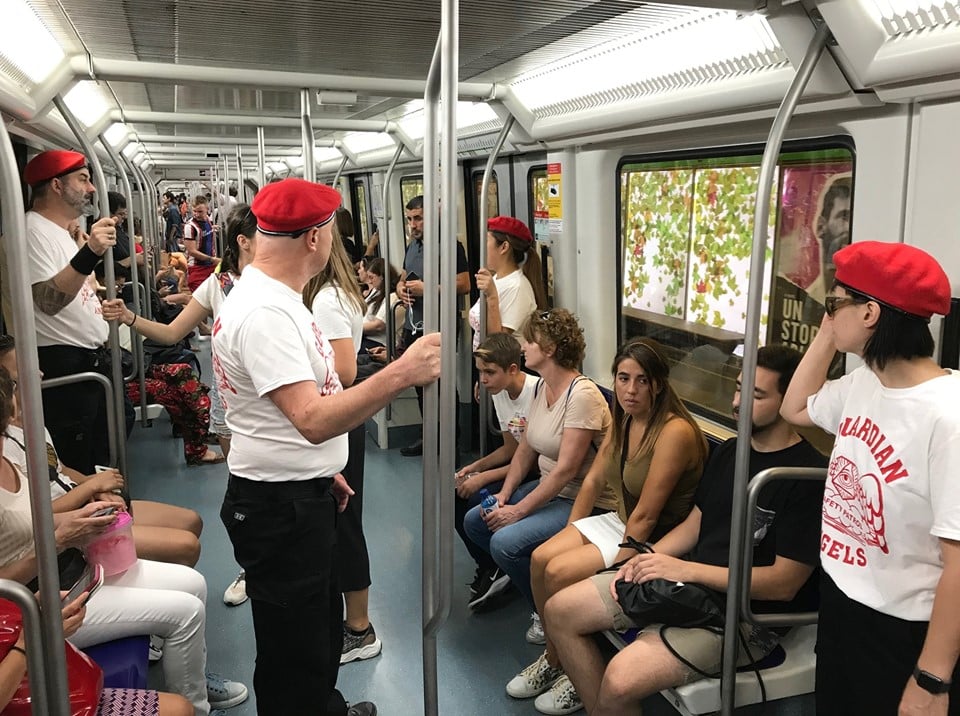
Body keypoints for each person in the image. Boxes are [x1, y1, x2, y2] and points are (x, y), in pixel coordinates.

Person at [213, 178, 441, 716]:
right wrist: (402, 373)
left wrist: (319, 471)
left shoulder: (272, 298)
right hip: (280, 507)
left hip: (296, 491)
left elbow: (286, 415)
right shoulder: (267, 314)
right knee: (294, 650)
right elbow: (311, 420)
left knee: (312, 635)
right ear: (315, 238)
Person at [547, 345, 826, 716]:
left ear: (789, 401)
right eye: (740, 388)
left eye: (756, 395)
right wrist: (648, 558)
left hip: (745, 618)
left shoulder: (806, 476)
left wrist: (683, 569)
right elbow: (696, 523)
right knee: (559, 610)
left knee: (619, 679)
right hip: (692, 588)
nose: (739, 402)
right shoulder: (730, 451)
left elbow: (784, 583)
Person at [0, 364, 248, 715]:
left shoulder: (12, 442)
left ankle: (190, 675)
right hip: (40, 598)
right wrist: (58, 539)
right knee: (186, 611)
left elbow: (41, 511)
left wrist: (79, 518)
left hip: (69, 568)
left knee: (193, 583)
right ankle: (195, 704)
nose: (36, 374)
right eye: (13, 380)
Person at [779, 241, 960, 716]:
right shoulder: (865, 383)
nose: (826, 314)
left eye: (834, 304)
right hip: (843, 602)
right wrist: (828, 333)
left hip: (903, 631)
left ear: (870, 315)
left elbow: (959, 563)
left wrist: (932, 680)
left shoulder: (948, 417)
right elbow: (794, 407)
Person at [512, 338, 707, 713]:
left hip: (653, 535)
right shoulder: (625, 418)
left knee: (558, 572)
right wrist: (571, 530)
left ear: (659, 384)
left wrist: (618, 567)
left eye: (642, 380)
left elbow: (648, 514)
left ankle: (571, 668)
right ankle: (557, 660)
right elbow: (594, 480)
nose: (631, 390)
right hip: (620, 520)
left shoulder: (674, 432)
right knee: (541, 558)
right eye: (623, 378)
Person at [463, 309, 614, 637]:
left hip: (581, 498)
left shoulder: (582, 395)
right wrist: (505, 494)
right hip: (550, 487)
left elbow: (566, 470)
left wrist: (517, 510)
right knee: (475, 521)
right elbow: (525, 449)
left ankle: (547, 613)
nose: (524, 346)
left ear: (549, 350)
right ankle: (529, 582)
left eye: (530, 341)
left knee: (504, 541)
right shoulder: (544, 387)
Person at [0, 335, 202, 567]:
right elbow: (31, 513)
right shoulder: (6, 446)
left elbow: (60, 470)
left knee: (191, 521)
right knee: (186, 546)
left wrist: (93, 485)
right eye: (23, 373)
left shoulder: (32, 420)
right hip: (68, 523)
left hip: (84, 502)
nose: (39, 374)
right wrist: (91, 487)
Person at [0, 150, 115, 475]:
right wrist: (91, 252)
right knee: (78, 462)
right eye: (83, 179)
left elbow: (76, 286)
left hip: (85, 359)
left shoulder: (59, 231)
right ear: (56, 185)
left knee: (97, 456)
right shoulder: (31, 232)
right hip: (62, 364)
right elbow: (48, 300)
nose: (91, 188)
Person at [303, 229, 381, 665]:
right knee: (340, 521)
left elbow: (347, 371)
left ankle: (361, 628)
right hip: (337, 418)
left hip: (338, 418)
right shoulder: (332, 296)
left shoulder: (328, 300)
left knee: (346, 521)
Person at [456, 333, 540, 609]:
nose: (483, 379)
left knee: (474, 501)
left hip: (537, 471)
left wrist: (483, 478)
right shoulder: (500, 393)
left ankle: (498, 567)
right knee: (456, 496)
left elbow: (529, 456)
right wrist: (474, 467)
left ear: (513, 369)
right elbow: (509, 448)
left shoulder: (537, 392)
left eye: (489, 372)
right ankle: (490, 565)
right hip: (518, 465)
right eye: (480, 372)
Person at [395, 194, 471, 457]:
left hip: (441, 325)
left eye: (417, 219)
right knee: (419, 381)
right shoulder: (412, 247)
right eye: (409, 219)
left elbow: (464, 283)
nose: (412, 225)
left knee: (444, 382)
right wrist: (400, 290)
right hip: (414, 323)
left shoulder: (451, 246)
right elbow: (403, 277)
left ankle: (453, 443)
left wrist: (430, 289)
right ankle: (428, 436)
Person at [469, 215, 547, 350]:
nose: (482, 247)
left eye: (486, 240)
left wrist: (492, 297)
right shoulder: (497, 278)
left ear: (504, 247)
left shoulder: (517, 286)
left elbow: (498, 344)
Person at [182, 196, 219, 293]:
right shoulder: (190, 226)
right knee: (200, 300)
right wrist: (212, 259)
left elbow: (204, 231)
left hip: (211, 267)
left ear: (207, 209)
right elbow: (192, 251)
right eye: (194, 211)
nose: (196, 214)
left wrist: (213, 228)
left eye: (200, 212)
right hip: (197, 268)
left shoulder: (207, 220)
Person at [360, 258, 399, 351]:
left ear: (382, 277)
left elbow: (378, 326)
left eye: (371, 277)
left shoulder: (391, 297)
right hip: (365, 336)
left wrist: (354, 328)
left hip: (377, 341)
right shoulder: (376, 291)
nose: (369, 281)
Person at [108, 191, 132, 264]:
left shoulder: (118, 229)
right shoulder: (99, 234)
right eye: (120, 214)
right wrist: (132, 260)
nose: (124, 217)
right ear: (108, 212)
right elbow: (103, 269)